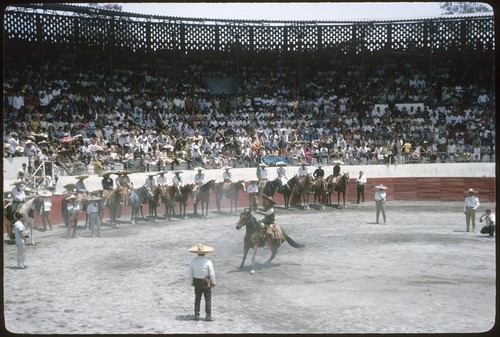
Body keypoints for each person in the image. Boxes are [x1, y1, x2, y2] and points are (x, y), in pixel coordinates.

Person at [189, 244, 216, 322]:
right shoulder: (208, 261)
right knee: (208, 299)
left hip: (196, 281)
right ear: (205, 253)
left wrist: (191, 282)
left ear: (197, 253)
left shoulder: (193, 261)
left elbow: (191, 273)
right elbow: (212, 273)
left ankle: (197, 314)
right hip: (206, 281)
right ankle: (208, 316)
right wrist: (213, 282)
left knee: (197, 298)